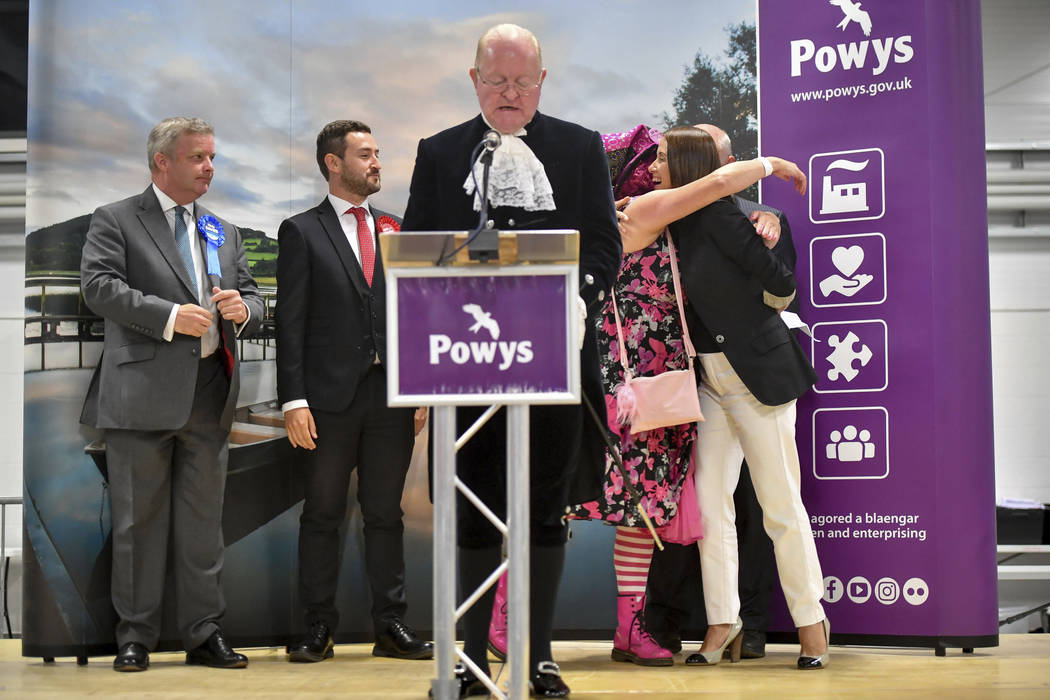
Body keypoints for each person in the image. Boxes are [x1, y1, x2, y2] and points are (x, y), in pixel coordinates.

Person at [402, 23, 622, 698]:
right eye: (496, 80)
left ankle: (539, 656)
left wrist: (574, 299)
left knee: (543, 511)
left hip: (554, 364)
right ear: (474, 80)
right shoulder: (440, 154)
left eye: (522, 81)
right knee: (471, 510)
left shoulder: (579, 148)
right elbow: (415, 249)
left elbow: (605, 249)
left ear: (542, 82)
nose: (509, 93)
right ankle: (470, 660)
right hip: (464, 370)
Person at [567, 124, 803, 667]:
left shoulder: (646, 215)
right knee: (602, 506)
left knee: (638, 511)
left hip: (665, 386)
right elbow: (715, 184)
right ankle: (519, 616)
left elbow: (714, 208)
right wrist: (776, 166)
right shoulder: (637, 214)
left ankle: (630, 628)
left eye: (659, 160)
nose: (651, 169)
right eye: (644, 163)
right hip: (635, 391)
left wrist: (759, 214)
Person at [80, 116, 263, 672]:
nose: (210, 166)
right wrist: (166, 317)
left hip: (209, 396)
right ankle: (134, 636)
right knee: (138, 524)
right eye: (198, 157)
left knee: (204, 526)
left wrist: (244, 310)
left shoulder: (223, 230)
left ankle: (204, 633)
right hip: (139, 397)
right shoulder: (115, 219)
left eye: (212, 157)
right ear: (163, 162)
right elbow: (99, 287)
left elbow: (252, 292)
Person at [653, 126, 828, 669]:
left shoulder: (727, 214)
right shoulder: (669, 217)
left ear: (687, 163)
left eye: (662, 157)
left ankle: (811, 624)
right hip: (706, 381)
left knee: (779, 506)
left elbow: (781, 282)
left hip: (757, 374)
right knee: (711, 507)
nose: (654, 165)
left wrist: (765, 260)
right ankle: (722, 622)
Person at [275, 120, 432, 664]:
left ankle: (391, 626)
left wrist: (418, 388)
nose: (377, 163)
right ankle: (317, 627)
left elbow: (415, 313)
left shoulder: (396, 226)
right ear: (333, 164)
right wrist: (293, 400)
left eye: (378, 153)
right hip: (325, 402)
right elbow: (289, 324)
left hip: (391, 396)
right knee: (322, 513)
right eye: (365, 154)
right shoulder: (301, 231)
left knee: (385, 514)